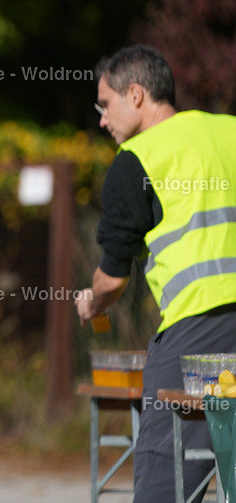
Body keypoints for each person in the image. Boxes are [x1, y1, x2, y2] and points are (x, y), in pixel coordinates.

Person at [75, 45, 236, 502]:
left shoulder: (139, 158)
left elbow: (113, 278)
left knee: (168, 478)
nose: (102, 120)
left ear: (136, 94)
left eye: (105, 105)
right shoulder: (230, 130)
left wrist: (92, 302)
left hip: (203, 337)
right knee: (230, 465)